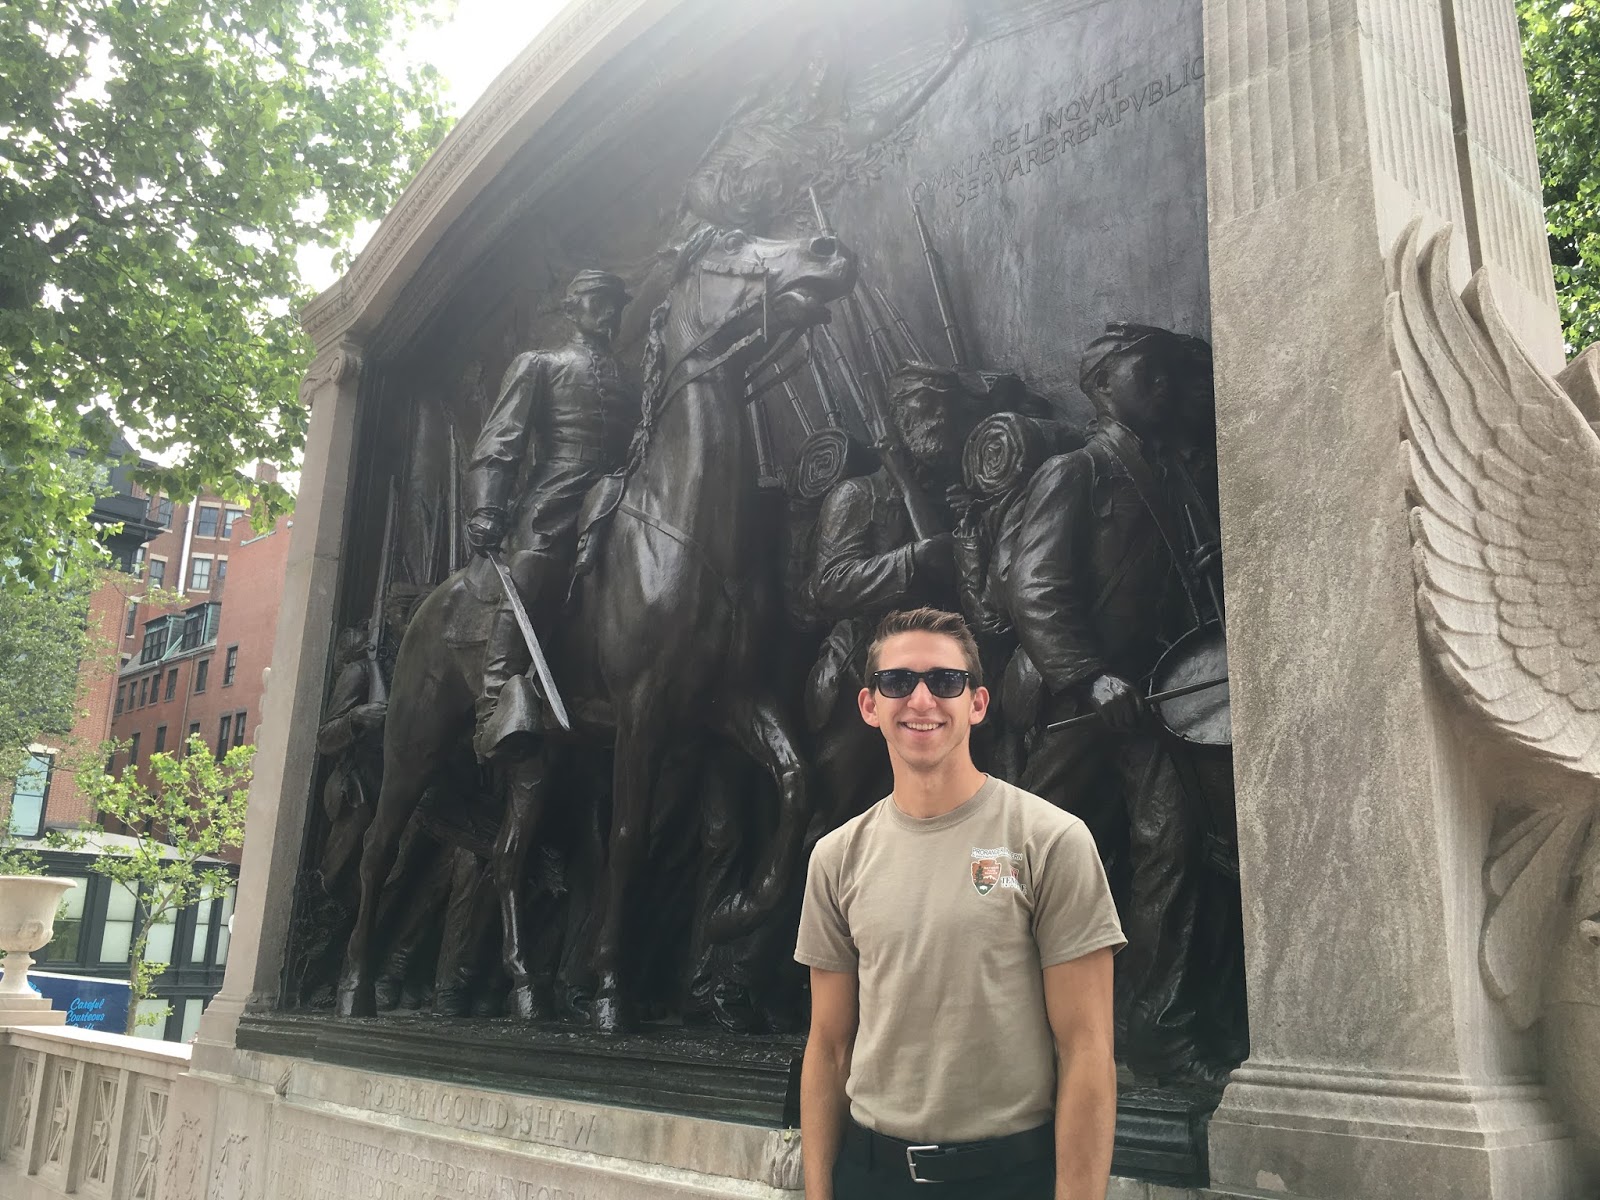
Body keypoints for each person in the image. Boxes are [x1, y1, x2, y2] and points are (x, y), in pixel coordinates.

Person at [796, 607, 1125, 1199]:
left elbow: (1087, 1049)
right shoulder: (836, 857)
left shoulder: (1051, 840)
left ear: (977, 703)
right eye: (898, 681)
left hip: (1008, 1177)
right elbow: (828, 1046)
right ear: (869, 705)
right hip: (872, 1177)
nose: (921, 699)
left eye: (946, 681)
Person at [987, 324, 1233, 1083]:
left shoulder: (1171, 477)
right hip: (1076, 699)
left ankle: (1154, 1029)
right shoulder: (1077, 471)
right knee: (1020, 864)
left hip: (1146, 699)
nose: (1161, 386)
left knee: (1173, 843)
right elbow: (1034, 588)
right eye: (1143, 373)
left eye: (1165, 374)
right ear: (1100, 387)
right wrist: (1088, 675)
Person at [464, 268, 636, 758]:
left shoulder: (630, 378)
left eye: (616, 303)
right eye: (599, 300)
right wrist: (487, 506)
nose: (610, 311)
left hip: (620, 488)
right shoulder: (539, 364)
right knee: (534, 566)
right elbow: (502, 440)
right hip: (558, 492)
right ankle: (493, 705)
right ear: (572, 307)